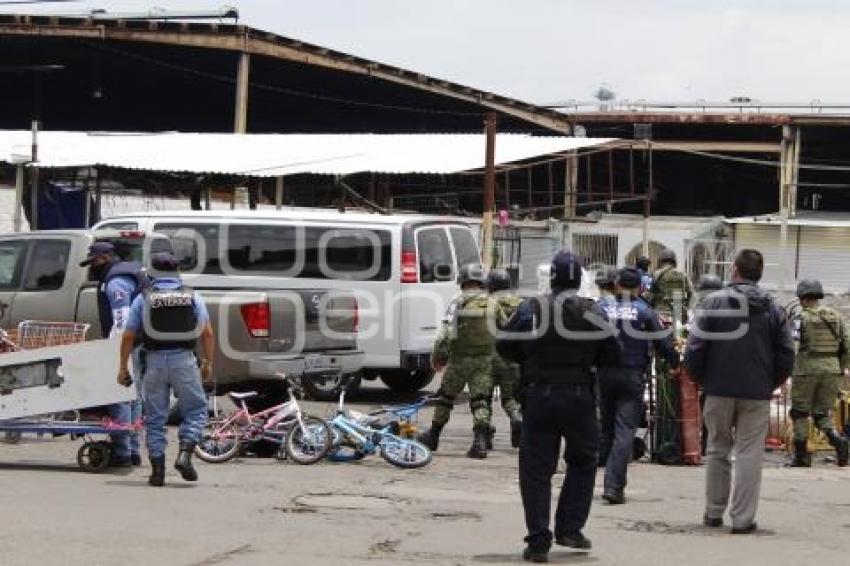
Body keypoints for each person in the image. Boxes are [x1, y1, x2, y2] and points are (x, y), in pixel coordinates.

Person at [497, 251, 621, 562]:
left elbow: (504, 343)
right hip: (579, 396)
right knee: (583, 462)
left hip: (539, 396)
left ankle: (539, 540)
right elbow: (613, 352)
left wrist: (529, 359)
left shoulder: (532, 307)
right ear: (579, 280)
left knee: (536, 469)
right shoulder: (592, 311)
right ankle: (569, 528)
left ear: (551, 278)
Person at [684, 249, 795, 534]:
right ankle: (743, 519)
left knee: (717, 448)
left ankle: (713, 512)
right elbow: (786, 353)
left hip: (718, 390)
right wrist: (768, 382)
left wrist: (704, 379)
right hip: (756, 393)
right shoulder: (774, 309)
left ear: (734, 270)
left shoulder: (712, 303)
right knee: (749, 453)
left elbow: (694, 349)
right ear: (759, 273)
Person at [118, 252, 215, 487]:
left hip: (154, 363)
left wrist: (122, 367)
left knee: (155, 418)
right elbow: (207, 333)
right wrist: (208, 363)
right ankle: (184, 454)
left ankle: (157, 472)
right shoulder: (192, 296)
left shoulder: (143, 298)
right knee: (196, 410)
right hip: (184, 361)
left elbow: (129, 335)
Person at [598, 267, 679, 505]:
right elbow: (662, 342)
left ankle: (606, 477)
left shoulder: (601, 309)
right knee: (624, 431)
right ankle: (613, 486)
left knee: (608, 428)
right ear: (639, 288)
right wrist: (675, 362)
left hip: (604, 375)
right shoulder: (645, 311)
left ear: (617, 285)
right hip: (631, 375)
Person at [80, 242, 147, 467]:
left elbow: (122, 319)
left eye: (94, 262)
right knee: (134, 395)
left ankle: (122, 452)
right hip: (139, 342)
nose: (92, 267)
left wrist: (114, 350)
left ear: (105, 258)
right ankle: (134, 450)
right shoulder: (126, 273)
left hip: (127, 343)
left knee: (119, 394)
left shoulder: (115, 282)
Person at [419, 263, 494, 459]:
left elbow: (444, 334)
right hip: (484, 361)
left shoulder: (457, 301)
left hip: (459, 361)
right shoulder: (492, 302)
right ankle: (480, 443)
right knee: (480, 401)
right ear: (481, 281)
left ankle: (433, 436)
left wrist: (437, 357)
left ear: (462, 281)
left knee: (445, 398)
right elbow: (505, 330)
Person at [789, 279, 849, 467]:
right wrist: (839, 367)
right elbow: (848, 346)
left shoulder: (799, 318)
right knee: (822, 413)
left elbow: (792, 346)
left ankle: (802, 457)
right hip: (832, 369)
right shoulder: (837, 317)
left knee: (799, 412)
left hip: (805, 370)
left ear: (802, 298)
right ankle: (838, 441)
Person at [487, 268, 523, 448]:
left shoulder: (487, 303)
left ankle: (484, 435)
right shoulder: (521, 303)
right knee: (511, 398)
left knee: (483, 399)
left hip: (491, 357)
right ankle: (517, 420)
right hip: (515, 359)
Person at [650, 249, 694, 329]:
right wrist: (685, 307)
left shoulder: (656, 274)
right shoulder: (683, 275)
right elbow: (691, 293)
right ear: (674, 261)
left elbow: (650, 295)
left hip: (660, 314)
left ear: (660, 260)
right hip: (677, 315)